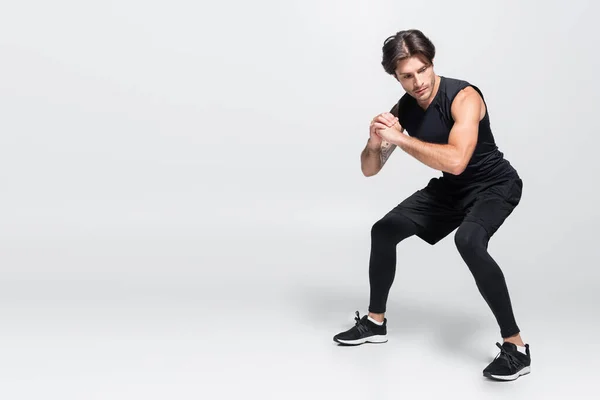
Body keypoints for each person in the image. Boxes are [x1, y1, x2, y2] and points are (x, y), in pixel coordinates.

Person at [332, 29, 531, 381]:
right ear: (396, 76)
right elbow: (370, 169)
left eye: (422, 70)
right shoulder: (405, 108)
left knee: (468, 240)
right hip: (452, 190)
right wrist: (375, 139)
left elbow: (455, 161)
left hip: (494, 185)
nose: (418, 81)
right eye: (406, 76)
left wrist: (400, 138)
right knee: (384, 231)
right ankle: (376, 323)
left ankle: (516, 347)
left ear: (431, 63)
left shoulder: (463, 96)